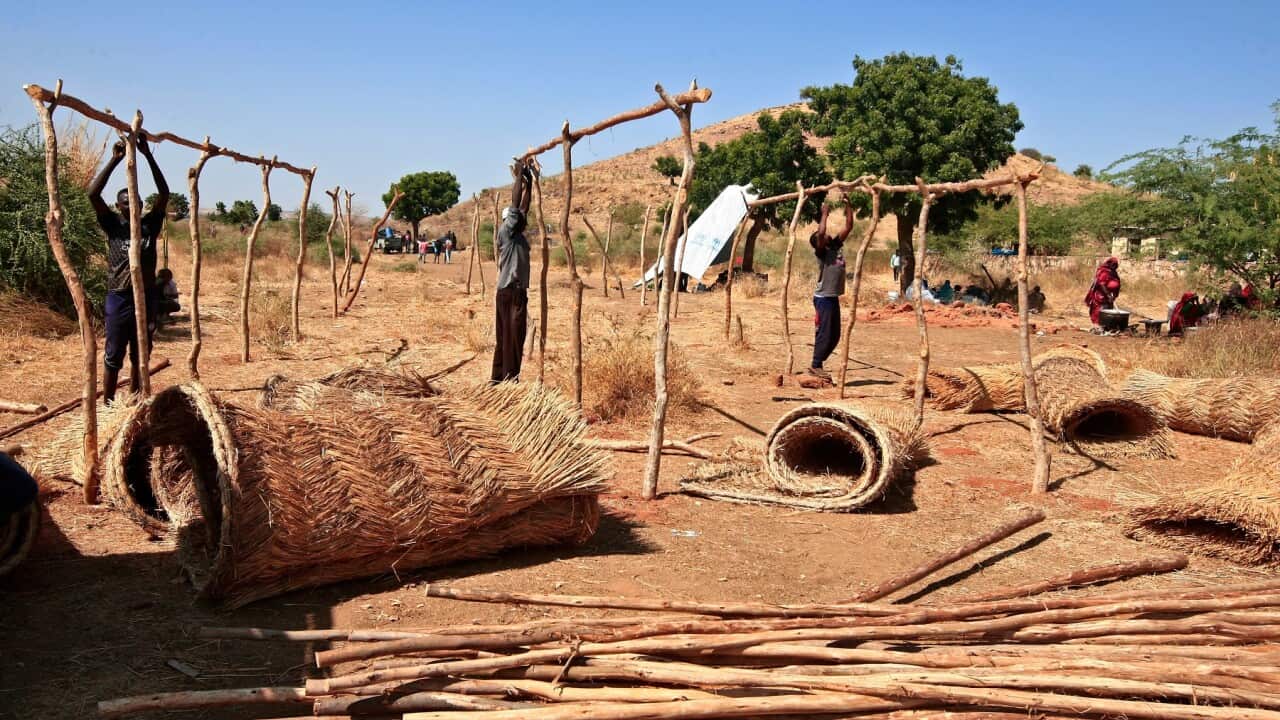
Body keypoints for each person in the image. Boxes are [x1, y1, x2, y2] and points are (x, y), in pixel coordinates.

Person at [88, 134, 168, 403]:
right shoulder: (114, 226)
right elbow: (92, 194)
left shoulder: (150, 226)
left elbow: (165, 194)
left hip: (145, 297)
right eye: (125, 202)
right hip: (119, 296)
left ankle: (135, 400)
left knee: (141, 353)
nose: (131, 205)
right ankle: (109, 405)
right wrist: (114, 160)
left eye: (135, 201)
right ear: (119, 207)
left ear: (141, 205)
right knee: (113, 355)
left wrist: (147, 155)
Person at [492, 160, 534, 383]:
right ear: (509, 219)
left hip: (509, 292)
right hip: (512, 292)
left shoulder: (517, 235)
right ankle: (509, 380)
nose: (522, 219)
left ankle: (498, 379)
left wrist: (530, 183)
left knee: (507, 337)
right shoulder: (507, 232)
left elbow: (524, 208)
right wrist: (519, 176)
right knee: (513, 338)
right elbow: (517, 206)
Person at [808, 196, 854, 381]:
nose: (825, 235)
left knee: (835, 335)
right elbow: (820, 233)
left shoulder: (834, 246)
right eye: (821, 236)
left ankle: (818, 363)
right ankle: (815, 364)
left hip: (832, 297)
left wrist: (847, 204)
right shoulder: (821, 252)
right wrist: (824, 215)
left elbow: (849, 225)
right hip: (823, 298)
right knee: (824, 332)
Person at [1084, 257, 1121, 326]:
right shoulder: (1104, 272)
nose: (1115, 266)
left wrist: (1114, 295)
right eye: (1113, 265)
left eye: (1116, 265)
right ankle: (1098, 326)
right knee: (1100, 311)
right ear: (1109, 264)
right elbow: (1101, 284)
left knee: (1108, 313)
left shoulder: (1113, 273)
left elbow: (1117, 283)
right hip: (1101, 296)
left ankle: (1106, 326)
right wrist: (1108, 295)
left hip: (1110, 296)